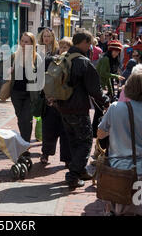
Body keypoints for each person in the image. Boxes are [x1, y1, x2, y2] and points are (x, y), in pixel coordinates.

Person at [97, 74, 142, 216]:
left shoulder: (115, 108)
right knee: (139, 211)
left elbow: (100, 134)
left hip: (117, 169)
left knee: (117, 209)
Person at [52, 31, 109, 188]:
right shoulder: (83, 62)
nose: (90, 47)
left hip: (62, 107)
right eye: (88, 43)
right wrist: (106, 100)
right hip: (78, 108)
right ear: (83, 42)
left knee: (73, 141)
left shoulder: (63, 58)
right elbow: (95, 89)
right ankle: (73, 175)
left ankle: (80, 169)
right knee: (85, 142)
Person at [40, 36, 72, 167]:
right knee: (49, 131)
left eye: (66, 47)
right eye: (62, 47)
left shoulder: (72, 63)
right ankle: (45, 154)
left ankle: (67, 159)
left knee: (66, 133)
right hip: (51, 103)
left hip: (65, 103)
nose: (63, 49)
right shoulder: (51, 61)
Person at [9, 32, 41, 149]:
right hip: (16, 93)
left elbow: (40, 77)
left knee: (26, 119)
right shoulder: (14, 56)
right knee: (20, 118)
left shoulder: (37, 57)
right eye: (22, 41)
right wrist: (10, 71)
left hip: (30, 95)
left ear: (32, 44)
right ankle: (24, 142)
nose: (23, 44)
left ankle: (25, 145)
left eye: (26, 42)